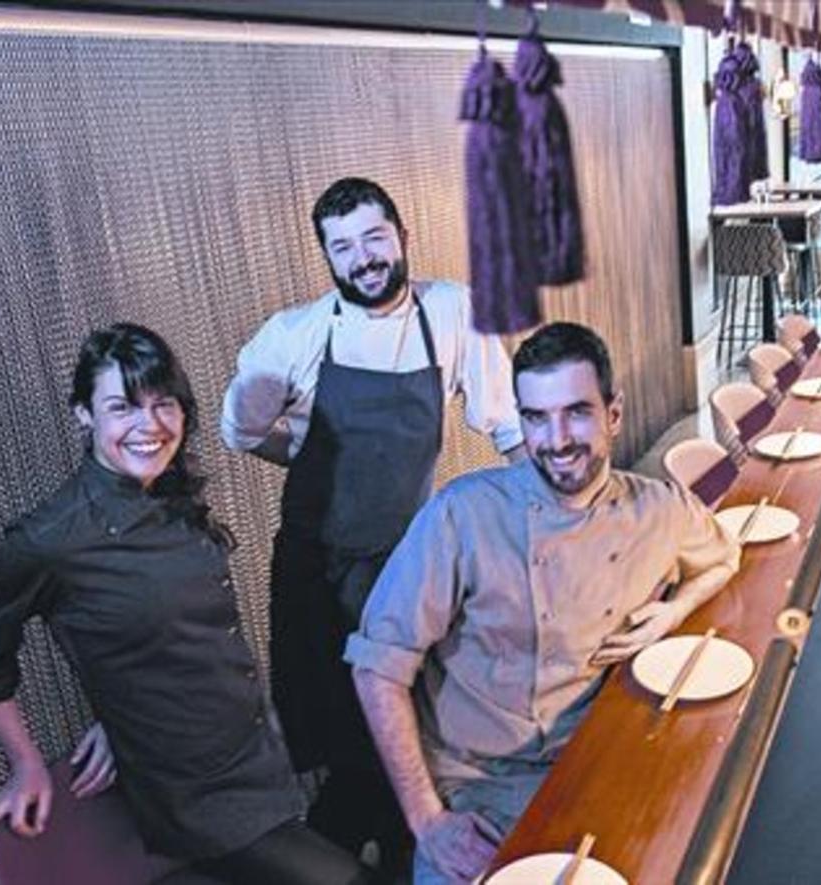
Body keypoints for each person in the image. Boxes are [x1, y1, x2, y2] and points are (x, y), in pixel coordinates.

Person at [0, 323, 369, 885]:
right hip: (194, 799)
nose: (149, 426)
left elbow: (167, 635)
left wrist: (120, 713)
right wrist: (25, 763)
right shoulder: (51, 538)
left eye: (163, 404)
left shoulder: (171, 494)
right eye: (122, 407)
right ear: (83, 414)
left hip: (252, 754)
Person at [345, 322, 742, 884]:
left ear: (614, 414)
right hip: (473, 785)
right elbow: (375, 668)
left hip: (597, 757)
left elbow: (726, 557)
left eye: (576, 412)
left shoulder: (660, 509)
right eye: (536, 417)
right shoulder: (461, 515)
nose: (556, 440)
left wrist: (675, 610)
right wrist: (428, 821)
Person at [220, 177, 524, 871]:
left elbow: (508, 424)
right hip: (313, 570)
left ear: (402, 236)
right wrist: (298, 451)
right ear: (327, 257)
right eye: (344, 246)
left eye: (374, 238)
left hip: (401, 564)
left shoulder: (449, 311)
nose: (363, 258)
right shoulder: (294, 334)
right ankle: (375, 856)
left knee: (407, 726)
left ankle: (388, 852)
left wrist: (536, 517)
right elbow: (240, 430)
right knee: (348, 743)